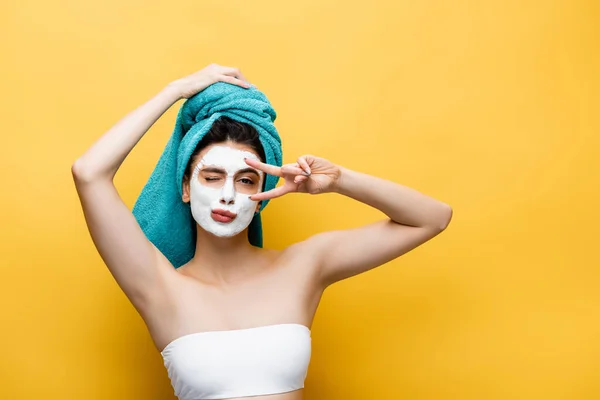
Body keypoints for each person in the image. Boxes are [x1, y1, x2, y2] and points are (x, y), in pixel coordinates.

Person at [71, 63, 453, 400]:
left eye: (246, 180)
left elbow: (432, 217)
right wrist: (176, 91)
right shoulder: (158, 286)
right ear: (185, 188)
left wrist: (340, 180)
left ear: (263, 193)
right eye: (212, 176)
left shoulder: (303, 266)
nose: (227, 195)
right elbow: (89, 173)